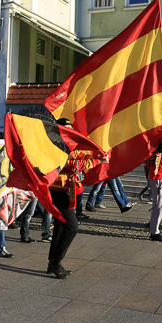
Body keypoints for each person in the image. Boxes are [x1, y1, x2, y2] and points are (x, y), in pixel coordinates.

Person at [47, 118, 108, 279]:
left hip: (66, 190)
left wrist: (98, 155)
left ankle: (52, 262)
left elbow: (80, 155)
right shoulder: (57, 145)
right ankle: (56, 262)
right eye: (65, 128)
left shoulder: (67, 145)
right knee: (71, 227)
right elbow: (75, 164)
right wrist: (97, 160)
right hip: (59, 191)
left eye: (70, 128)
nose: (69, 130)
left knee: (61, 227)